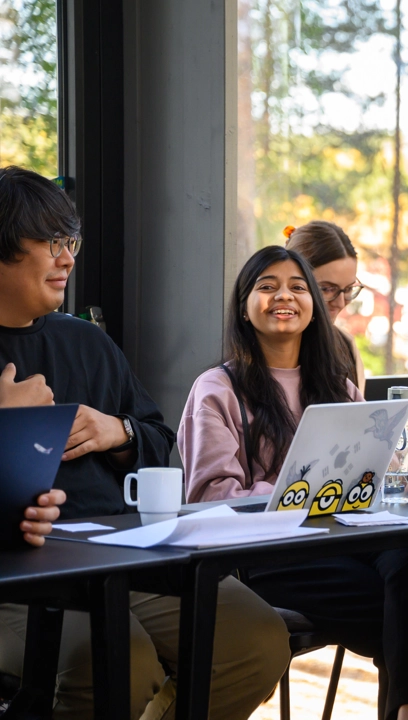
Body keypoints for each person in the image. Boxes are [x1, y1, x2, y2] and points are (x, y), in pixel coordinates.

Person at [0, 165, 290, 720]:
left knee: (255, 640)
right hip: (19, 573)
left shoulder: (86, 341)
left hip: (120, 551)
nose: (68, 258)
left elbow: (162, 445)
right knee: (116, 659)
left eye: (73, 241)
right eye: (51, 242)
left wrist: (120, 431)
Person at [179, 244, 408, 720]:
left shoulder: (337, 385)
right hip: (265, 550)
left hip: (342, 532)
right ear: (244, 309)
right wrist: (291, 494)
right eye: (266, 287)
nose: (282, 297)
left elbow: (370, 473)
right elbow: (210, 497)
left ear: (313, 305)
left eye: (296, 287)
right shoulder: (217, 388)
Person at [284, 220, 367, 393]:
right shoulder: (269, 346)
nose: (341, 303)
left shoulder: (345, 346)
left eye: (349, 289)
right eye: (327, 289)